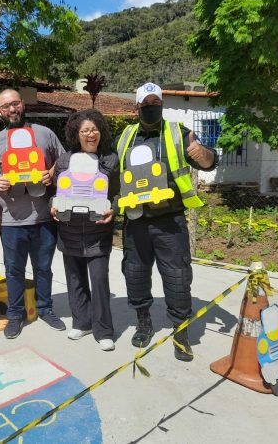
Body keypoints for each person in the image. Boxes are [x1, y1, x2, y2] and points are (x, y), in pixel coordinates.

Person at [116, 82, 217, 362]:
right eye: (146, 103)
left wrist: (204, 155)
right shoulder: (125, 137)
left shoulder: (178, 133)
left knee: (177, 278)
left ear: (161, 105)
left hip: (169, 222)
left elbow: (208, 161)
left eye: (155, 102)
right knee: (135, 275)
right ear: (137, 107)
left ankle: (180, 332)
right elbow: (110, 169)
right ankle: (144, 322)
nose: (151, 107)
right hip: (136, 221)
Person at [0, 88, 65, 339]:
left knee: (44, 268)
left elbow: (63, 161)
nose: (12, 109)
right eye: (6, 106)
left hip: (43, 218)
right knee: (13, 271)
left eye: (15, 103)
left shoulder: (45, 134)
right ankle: (15, 315)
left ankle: (46, 308)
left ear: (23, 104)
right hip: (11, 220)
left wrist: (51, 173)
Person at [51, 109, 119, 351]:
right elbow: (56, 192)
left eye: (94, 129)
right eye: (85, 131)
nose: (91, 134)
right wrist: (53, 206)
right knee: (75, 280)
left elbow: (118, 192)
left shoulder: (110, 159)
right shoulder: (64, 161)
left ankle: (104, 331)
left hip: (97, 232)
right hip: (69, 231)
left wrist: (114, 208)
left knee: (99, 281)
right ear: (76, 134)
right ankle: (82, 322)